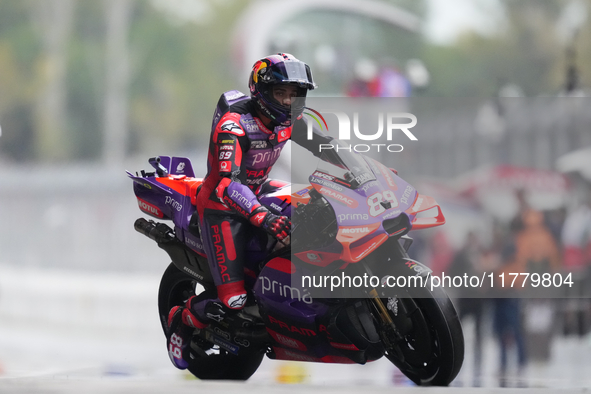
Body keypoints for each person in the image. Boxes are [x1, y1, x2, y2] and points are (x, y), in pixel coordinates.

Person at [165, 53, 336, 369]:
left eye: (295, 94)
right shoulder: (235, 126)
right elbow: (226, 185)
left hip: (260, 190)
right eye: (281, 93)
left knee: (320, 213)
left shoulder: (291, 121)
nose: (288, 101)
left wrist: (363, 174)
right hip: (222, 209)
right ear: (261, 91)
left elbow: (327, 147)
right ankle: (185, 317)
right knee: (234, 301)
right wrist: (264, 217)